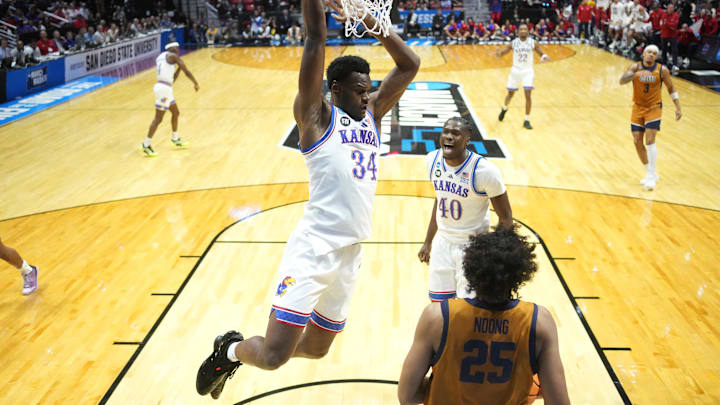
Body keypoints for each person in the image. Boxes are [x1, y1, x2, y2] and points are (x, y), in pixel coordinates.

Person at [194, 0, 420, 399]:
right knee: (274, 355)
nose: (368, 97)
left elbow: (410, 65)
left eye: (370, 90)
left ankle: (239, 348)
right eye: (359, 90)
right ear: (335, 90)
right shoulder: (316, 117)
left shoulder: (371, 115)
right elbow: (316, 36)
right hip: (315, 248)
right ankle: (228, 351)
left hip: (350, 253)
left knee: (316, 349)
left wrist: (374, 22)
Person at [398, 227, 570, 405]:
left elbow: (407, 396)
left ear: (470, 269)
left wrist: (443, 387)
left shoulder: (437, 317)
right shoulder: (539, 322)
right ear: (520, 274)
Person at [418, 117, 512, 302]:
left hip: (473, 247)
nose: (449, 136)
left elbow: (506, 217)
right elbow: (441, 199)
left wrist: (497, 255)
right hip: (443, 243)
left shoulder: (485, 171)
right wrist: (428, 241)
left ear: (467, 139)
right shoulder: (432, 160)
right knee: (439, 307)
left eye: (456, 133)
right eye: (446, 131)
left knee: (469, 310)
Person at [619, 44, 682, 190]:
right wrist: (635, 75)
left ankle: (651, 175)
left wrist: (678, 107)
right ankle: (649, 172)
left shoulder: (662, 70)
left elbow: (671, 88)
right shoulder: (635, 67)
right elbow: (622, 81)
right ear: (643, 54)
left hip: (654, 108)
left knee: (650, 140)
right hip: (637, 108)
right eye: (648, 52)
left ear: (656, 56)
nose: (651, 55)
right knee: (636, 141)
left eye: (654, 53)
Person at [141, 43, 199, 157]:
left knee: (176, 112)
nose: (178, 50)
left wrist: (178, 70)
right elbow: (187, 71)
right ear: (171, 49)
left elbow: (172, 80)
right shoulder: (173, 56)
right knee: (158, 118)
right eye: (176, 48)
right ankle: (146, 144)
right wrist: (195, 82)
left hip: (165, 87)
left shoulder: (161, 57)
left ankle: (175, 139)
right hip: (164, 90)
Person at [496, 24, 550, 130]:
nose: (523, 30)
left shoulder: (532, 42)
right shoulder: (514, 43)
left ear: (528, 31)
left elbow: (540, 52)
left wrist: (544, 56)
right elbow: (503, 53)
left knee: (528, 94)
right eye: (521, 29)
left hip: (527, 71)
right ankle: (504, 108)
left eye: (525, 29)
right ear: (518, 32)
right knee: (510, 94)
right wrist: (498, 53)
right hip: (515, 71)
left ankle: (527, 120)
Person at [660, 3, 680, 73]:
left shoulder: (676, 15)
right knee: (664, 50)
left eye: (672, 8)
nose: (670, 9)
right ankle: (664, 63)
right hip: (664, 35)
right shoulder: (664, 15)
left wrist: (667, 24)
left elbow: (675, 26)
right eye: (669, 8)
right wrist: (670, 25)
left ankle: (675, 65)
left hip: (673, 36)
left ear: (674, 9)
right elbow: (663, 25)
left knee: (674, 50)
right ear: (667, 8)